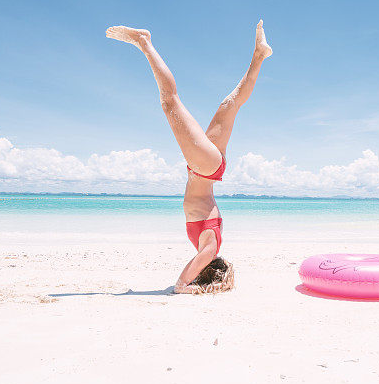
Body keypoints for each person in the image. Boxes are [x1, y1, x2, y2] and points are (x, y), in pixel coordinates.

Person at [106, 20, 272, 293]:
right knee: (170, 102)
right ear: (205, 271)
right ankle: (145, 42)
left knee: (230, 103)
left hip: (208, 167)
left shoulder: (209, 245)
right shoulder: (210, 248)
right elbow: (189, 273)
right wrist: (184, 286)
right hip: (204, 168)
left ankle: (259, 55)